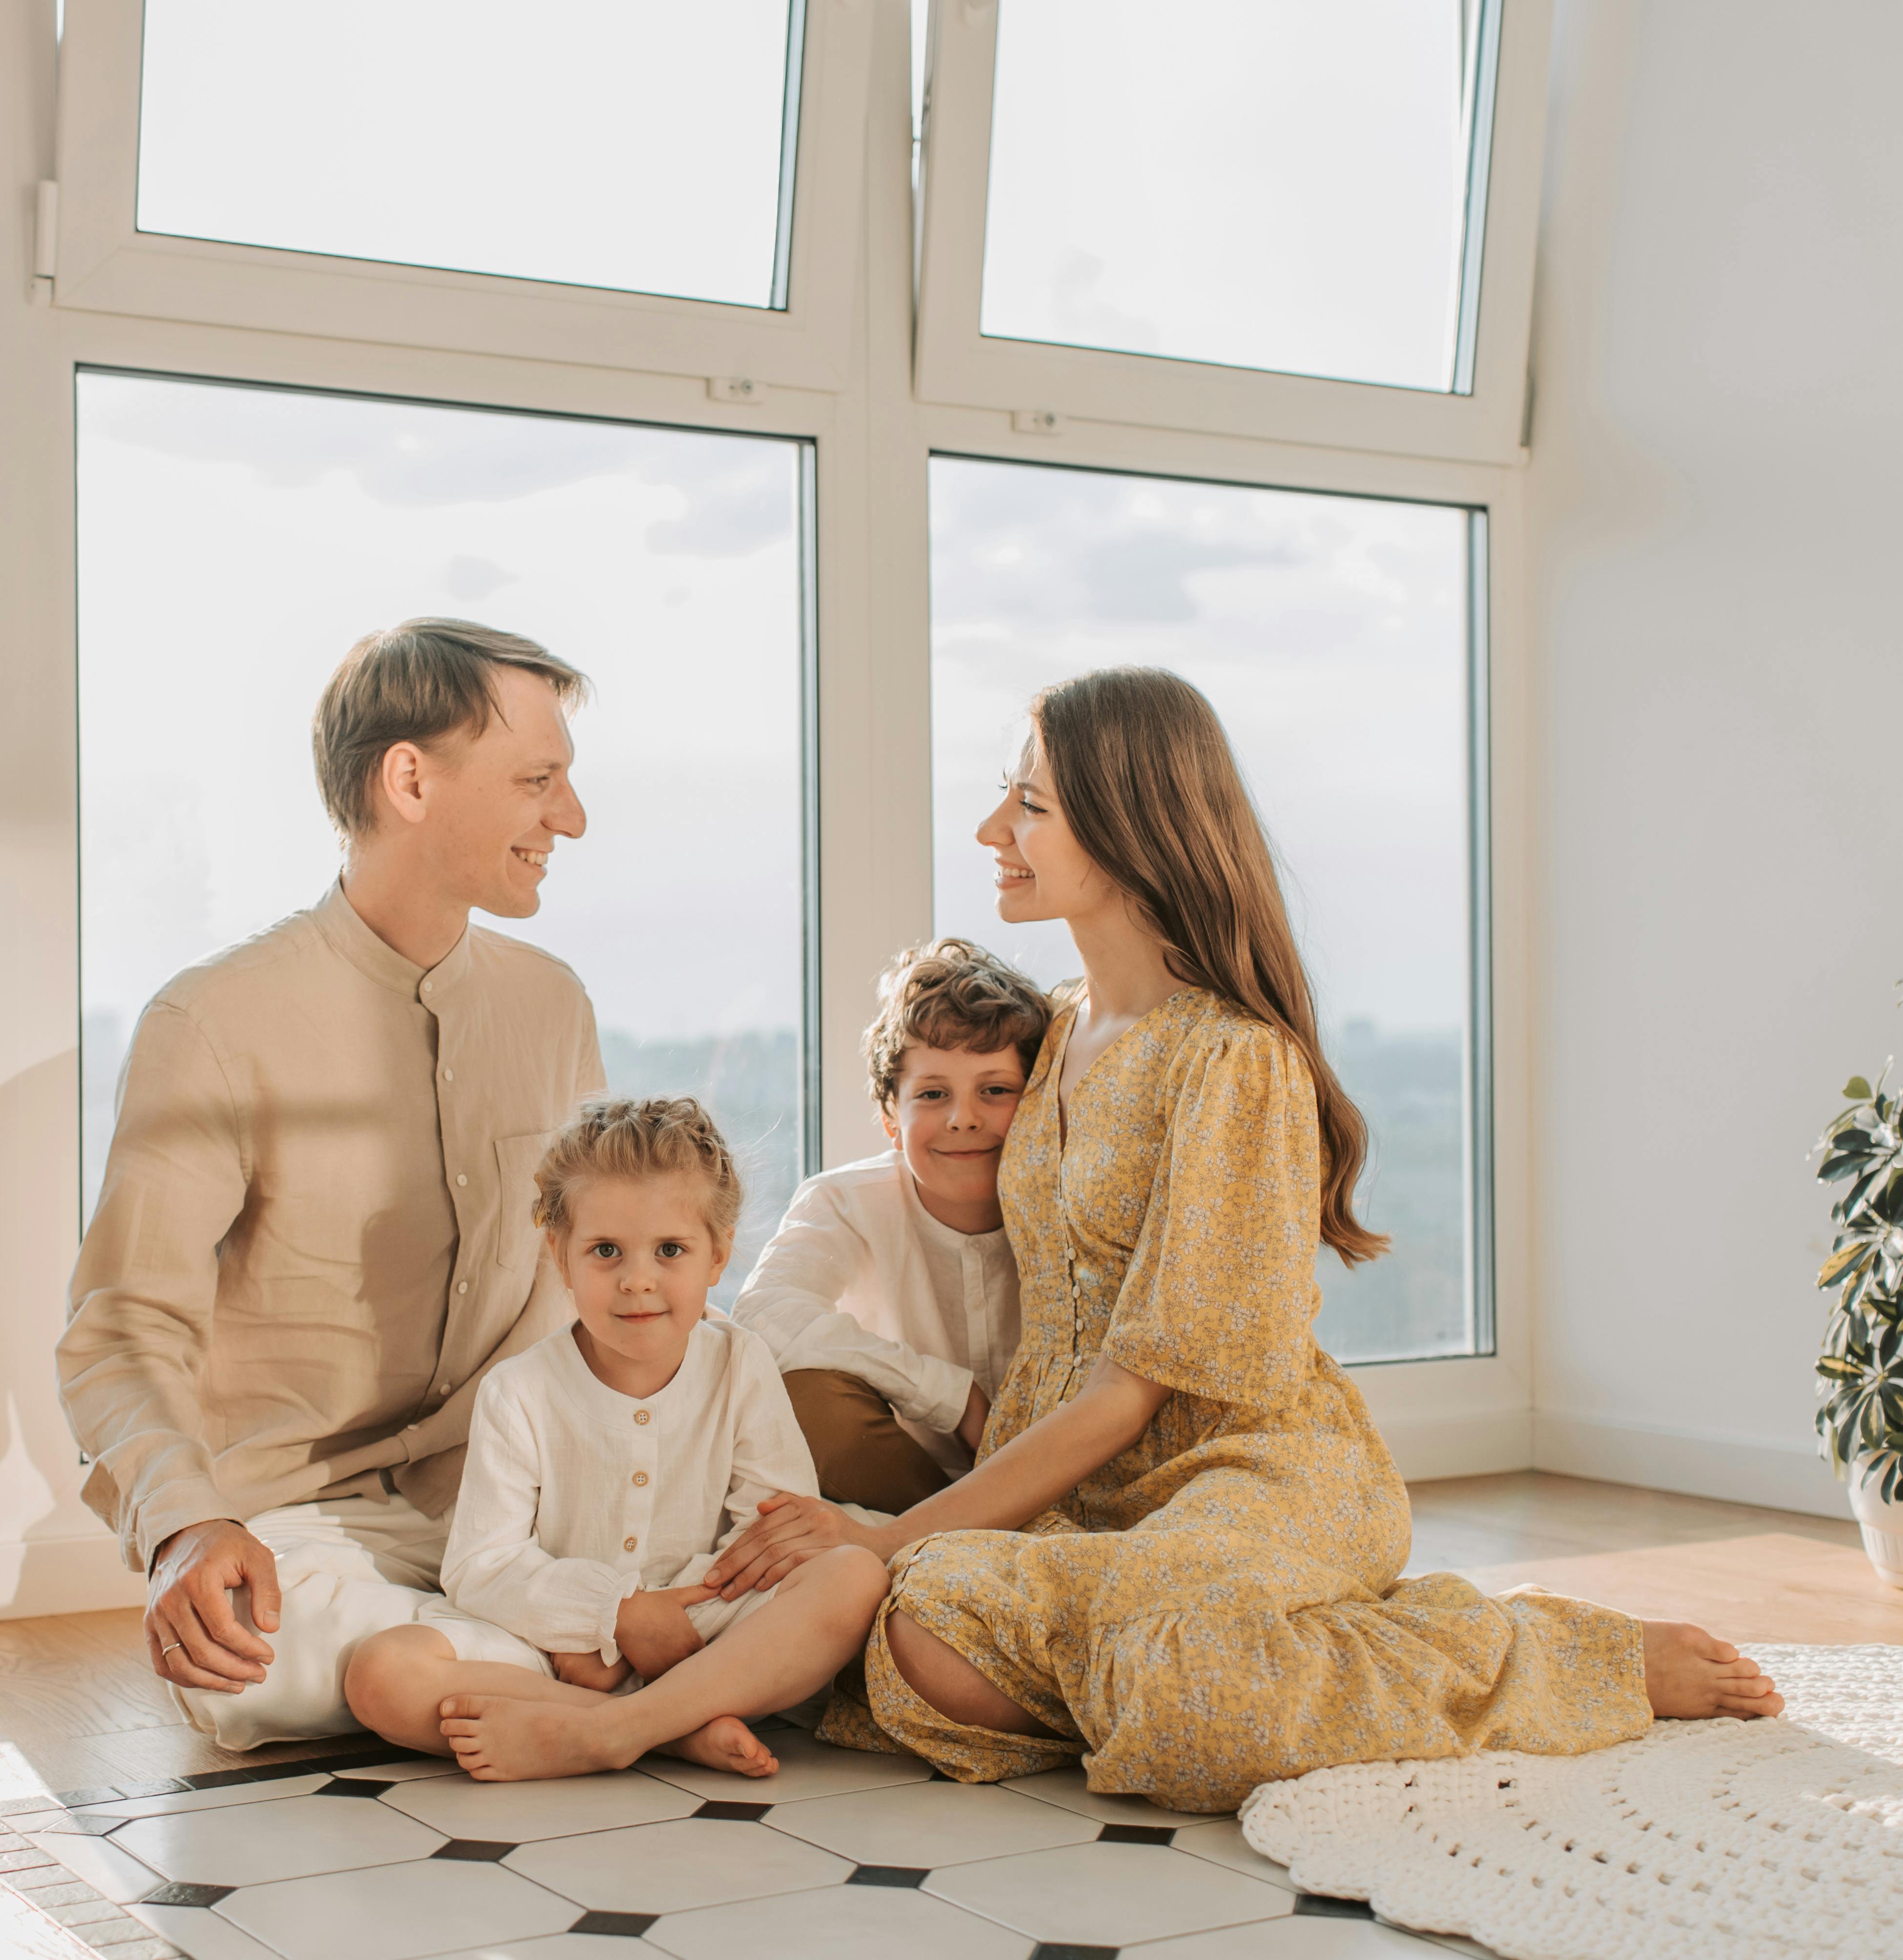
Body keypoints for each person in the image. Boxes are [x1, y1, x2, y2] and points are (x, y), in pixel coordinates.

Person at [703, 667, 1782, 1814]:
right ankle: (1228, 1656)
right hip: (1089, 1500)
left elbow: (1130, 1395)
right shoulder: (1055, 1028)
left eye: (1029, 805)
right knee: (928, 1631)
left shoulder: (1233, 1058)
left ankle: (1556, 1655)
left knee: (1165, 1683)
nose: (991, 831)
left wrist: (881, 1538)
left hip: (1255, 1470)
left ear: (1127, 827)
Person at [56, 618, 603, 1749]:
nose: (570, 818)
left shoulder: (552, 1005)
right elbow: (122, 1326)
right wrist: (186, 1527)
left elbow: (598, 1278)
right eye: (538, 781)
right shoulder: (211, 1022)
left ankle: (517, 1674)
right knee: (251, 1658)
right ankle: (613, 1674)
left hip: (513, 1501)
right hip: (290, 1523)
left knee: (791, 1567)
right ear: (409, 779)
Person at [342, 1096, 889, 1781]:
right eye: (605, 1251)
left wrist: (662, 1621)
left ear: (717, 1256)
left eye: (670, 1250)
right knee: (383, 1672)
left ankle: (614, 1729)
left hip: (707, 1631)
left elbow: (769, 1533)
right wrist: (610, 1615)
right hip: (554, 1653)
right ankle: (670, 1732)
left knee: (850, 1574)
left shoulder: (740, 1362)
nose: (637, 1279)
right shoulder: (518, 1390)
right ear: (560, 1257)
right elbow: (482, 1566)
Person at [730, 937, 1053, 1513]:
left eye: (996, 1090)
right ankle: (950, 1546)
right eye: (932, 1094)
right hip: (905, 1488)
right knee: (802, 1392)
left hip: (1053, 1474)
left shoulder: (1076, 1208)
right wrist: (951, 1397)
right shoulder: (846, 1202)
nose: (963, 1118)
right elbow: (763, 1317)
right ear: (889, 1118)